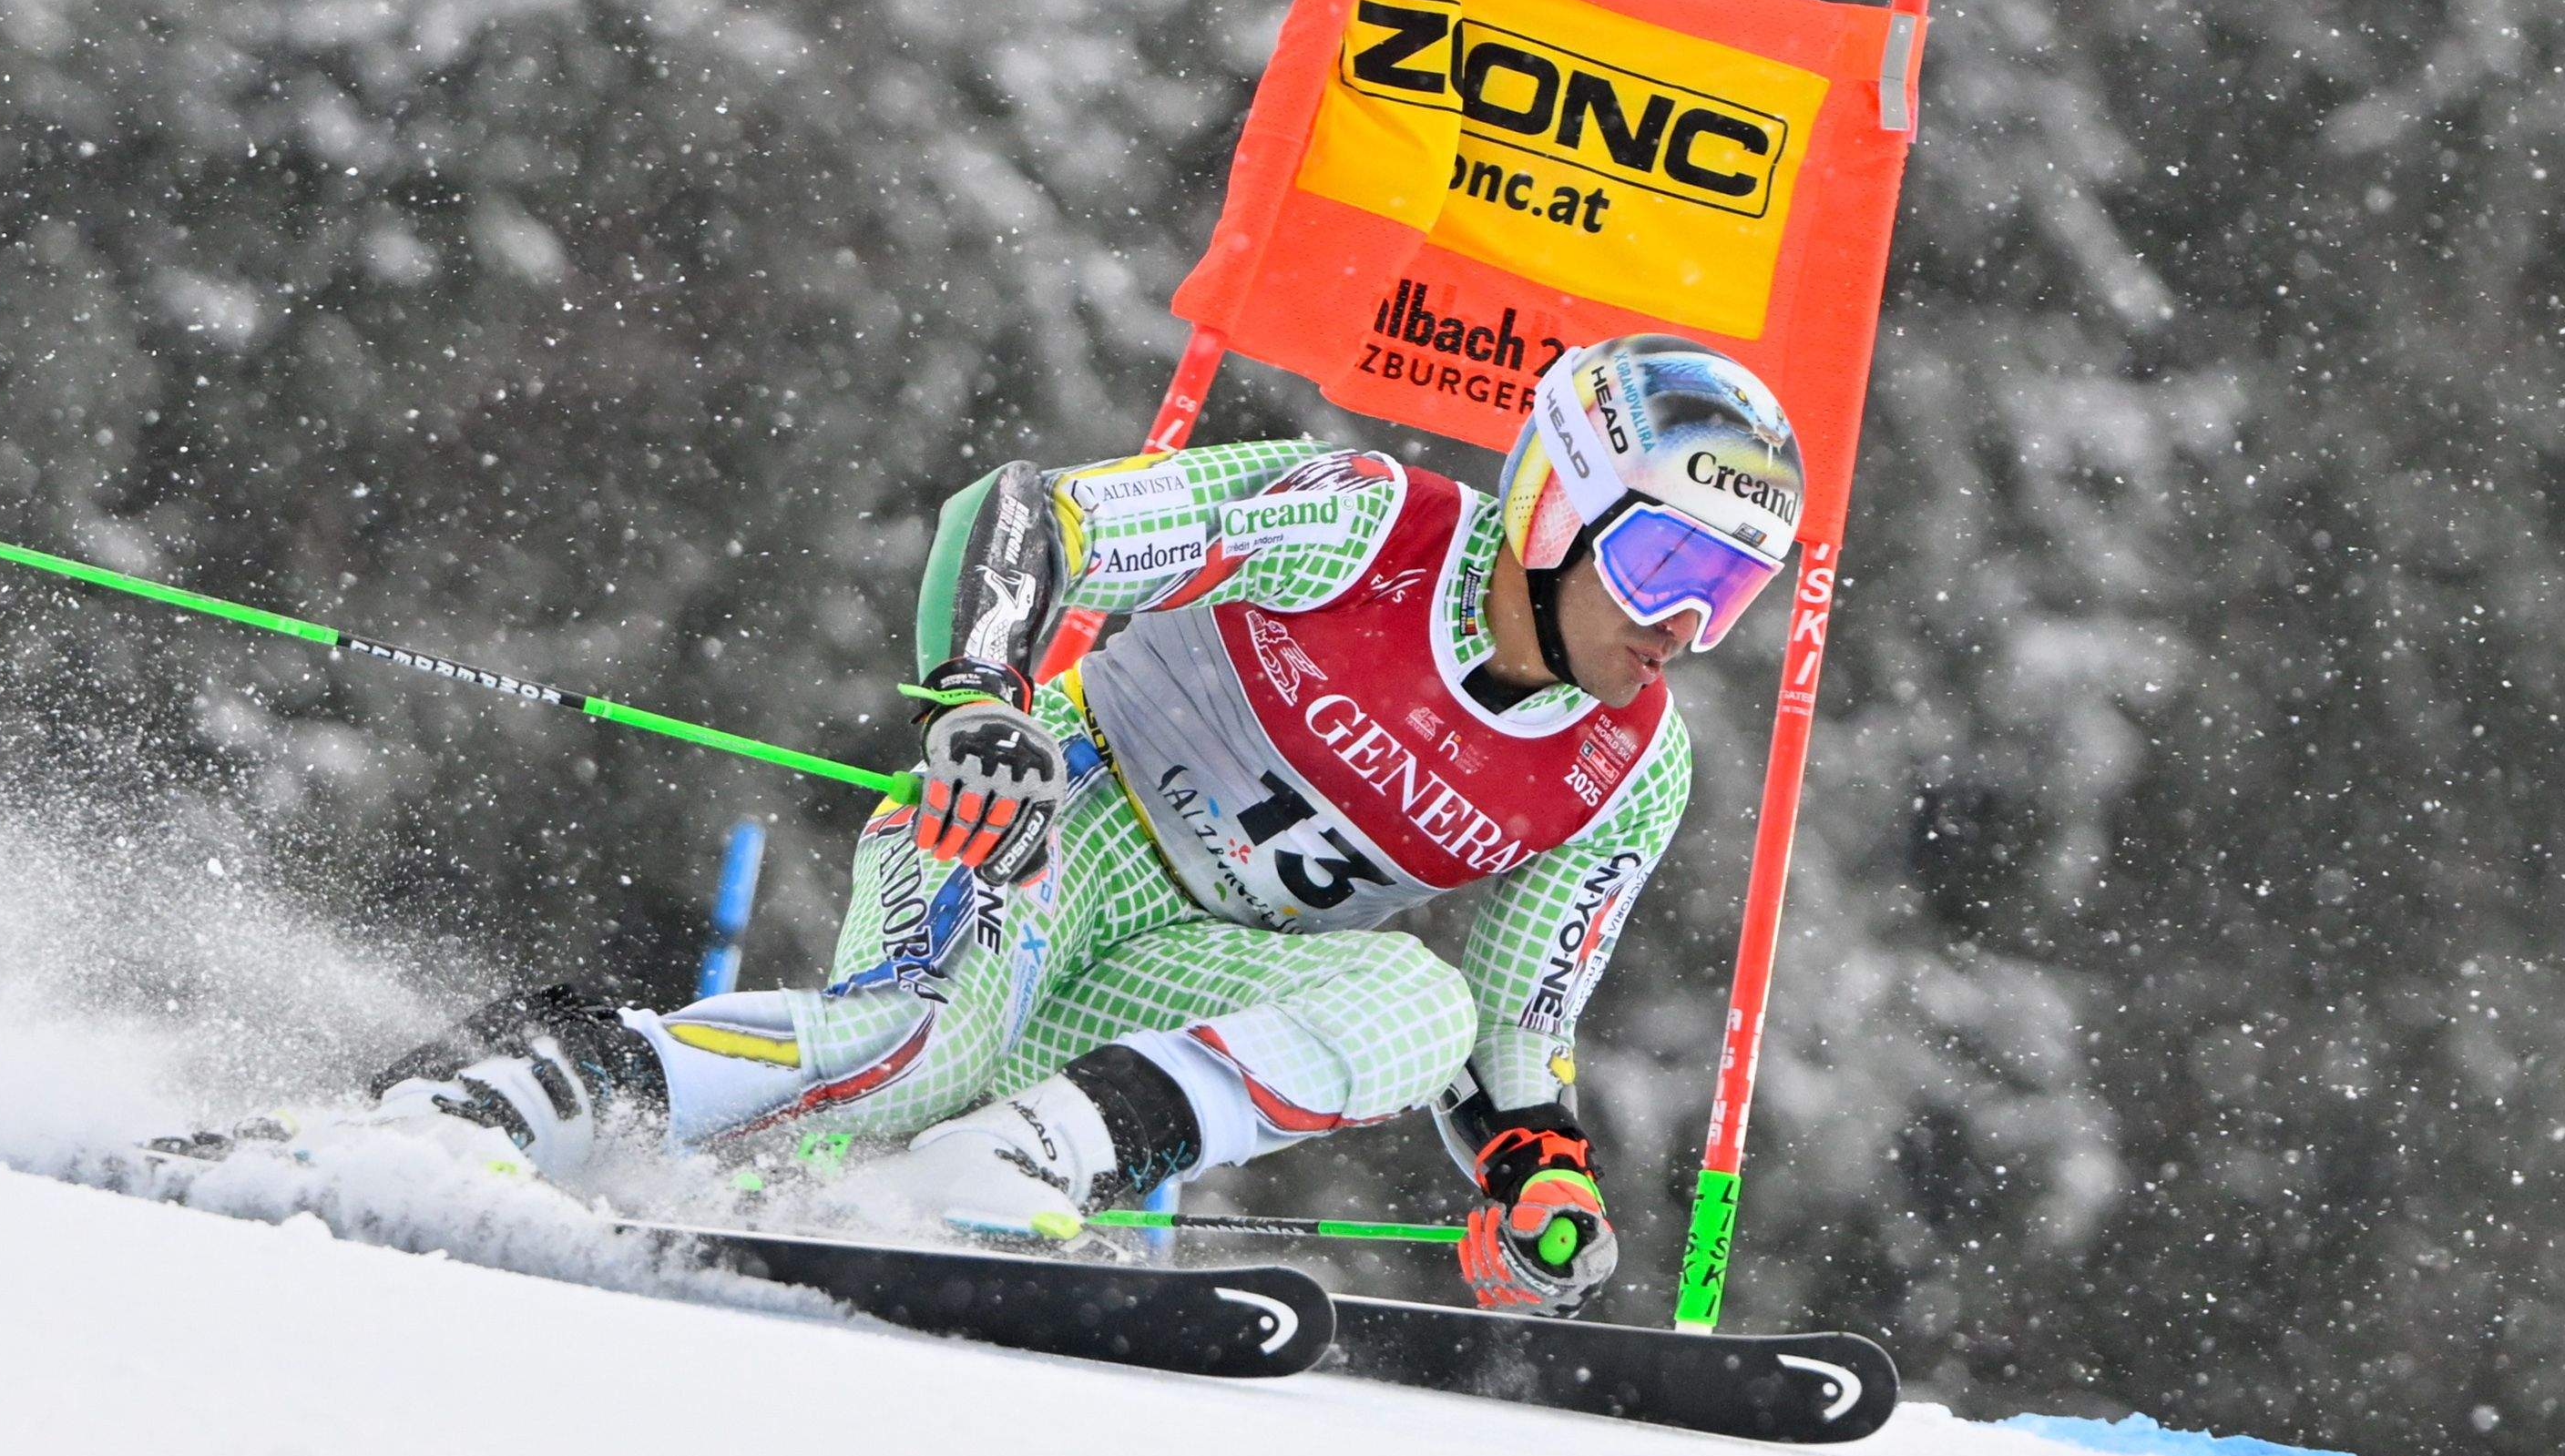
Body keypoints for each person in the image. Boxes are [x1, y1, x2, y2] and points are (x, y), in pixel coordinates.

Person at [383, 334, 1804, 1313]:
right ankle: (500, 1100)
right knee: (916, 1051)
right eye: (1662, 559)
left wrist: (1529, 1172)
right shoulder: (1363, 526)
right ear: (1555, 505)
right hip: (1055, 820)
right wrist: (981, 702)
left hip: (1199, 961)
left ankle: (1009, 1170)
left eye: (1728, 591)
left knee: (1414, 1005)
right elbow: (1027, 519)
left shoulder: (1630, 770)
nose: (1684, 622)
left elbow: (1507, 1026)